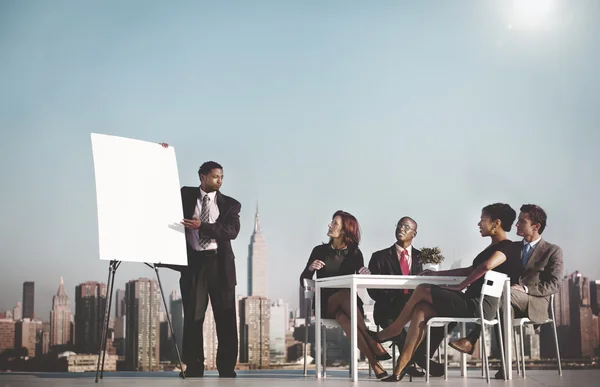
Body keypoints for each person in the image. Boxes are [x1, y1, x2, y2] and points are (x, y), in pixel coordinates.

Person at [368, 203, 521, 382]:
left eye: (482, 220)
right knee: (421, 309)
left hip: (477, 305)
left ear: (496, 223)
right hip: (470, 301)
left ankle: (395, 329)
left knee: (423, 289)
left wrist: (460, 286)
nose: (479, 224)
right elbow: (468, 269)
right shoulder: (491, 248)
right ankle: (400, 368)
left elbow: (486, 266)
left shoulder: (507, 247)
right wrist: (436, 274)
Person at [449, 204, 563, 379]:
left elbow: (555, 284)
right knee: (504, 304)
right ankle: (505, 365)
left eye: (521, 221)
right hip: (507, 300)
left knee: (502, 294)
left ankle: (472, 337)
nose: (516, 225)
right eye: (517, 220)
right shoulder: (512, 248)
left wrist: (525, 288)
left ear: (536, 226)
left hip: (534, 301)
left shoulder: (552, 251)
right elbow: (484, 267)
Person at [159, 143, 240, 378]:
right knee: (194, 318)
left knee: (225, 318)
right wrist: (162, 154)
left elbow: (230, 231)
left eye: (222, 177)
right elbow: (162, 189)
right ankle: (194, 367)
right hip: (195, 265)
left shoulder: (230, 204)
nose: (220, 181)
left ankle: (226, 368)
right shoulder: (184, 195)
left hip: (220, 266)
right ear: (202, 177)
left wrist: (201, 226)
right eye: (215, 177)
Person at [300, 210, 391, 379]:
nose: (329, 225)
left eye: (334, 223)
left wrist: (366, 273)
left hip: (350, 308)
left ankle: (375, 364)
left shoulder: (355, 253)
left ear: (344, 230)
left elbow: (360, 282)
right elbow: (303, 280)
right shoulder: (319, 250)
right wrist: (310, 268)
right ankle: (372, 340)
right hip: (326, 303)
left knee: (343, 318)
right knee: (344, 294)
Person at [367, 216, 448, 378]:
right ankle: (422, 361)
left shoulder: (424, 258)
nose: (400, 229)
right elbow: (372, 290)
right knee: (391, 321)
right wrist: (393, 296)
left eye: (405, 227)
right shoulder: (379, 257)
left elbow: (432, 283)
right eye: (398, 225)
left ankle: (411, 361)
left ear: (414, 233)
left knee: (445, 320)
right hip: (389, 307)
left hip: (417, 306)